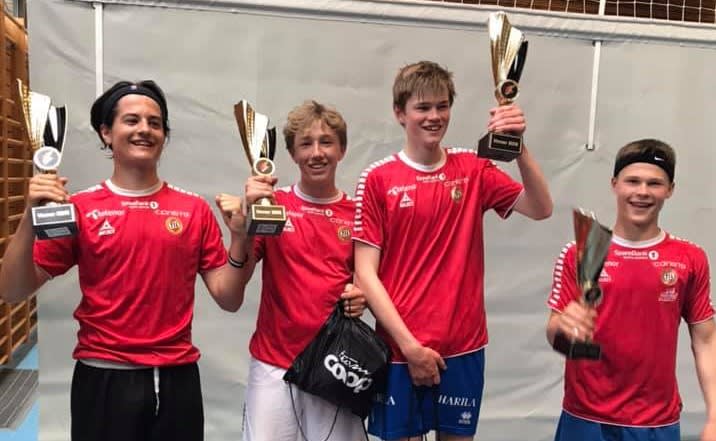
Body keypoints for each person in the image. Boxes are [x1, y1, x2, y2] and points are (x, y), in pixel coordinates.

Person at [0, 80, 248, 441]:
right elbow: (11, 290)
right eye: (132, 120)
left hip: (178, 378)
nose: (144, 129)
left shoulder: (194, 209)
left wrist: (240, 238)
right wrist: (28, 217)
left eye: (155, 123)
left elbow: (229, 298)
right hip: (103, 376)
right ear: (107, 132)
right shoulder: (80, 208)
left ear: (164, 135)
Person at [353, 60, 553, 440]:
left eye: (442, 106)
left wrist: (519, 146)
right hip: (400, 348)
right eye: (422, 107)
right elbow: (365, 273)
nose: (434, 116)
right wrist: (410, 347)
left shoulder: (473, 168)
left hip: (463, 346)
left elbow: (541, 207)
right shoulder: (377, 179)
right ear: (399, 113)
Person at [215, 100, 367, 441]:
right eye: (306, 144)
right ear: (292, 153)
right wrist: (241, 231)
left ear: (342, 150)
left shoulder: (358, 214)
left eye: (326, 142)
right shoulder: (273, 206)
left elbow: (371, 279)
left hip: (334, 366)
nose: (317, 153)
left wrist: (363, 296)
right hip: (274, 365)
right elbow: (237, 282)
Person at [546, 139, 716, 441]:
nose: (642, 192)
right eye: (633, 181)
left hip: (655, 422)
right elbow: (554, 332)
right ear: (615, 184)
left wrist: (715, 417)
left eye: (655, 183)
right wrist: (563, 325)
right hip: (585, 418)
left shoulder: (689, 258)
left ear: (670, 190)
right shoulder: (581, 252)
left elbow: (706, 340)